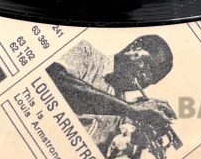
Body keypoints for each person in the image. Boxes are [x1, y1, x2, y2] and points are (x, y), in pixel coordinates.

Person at [46, 35, 180, 157]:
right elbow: (55, 81)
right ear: (135, 47)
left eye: (153, 79)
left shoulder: (123, 119)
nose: (146, 78)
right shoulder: (86, 52)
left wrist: (134, 146)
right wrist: (130, 109)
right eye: (148, 66)